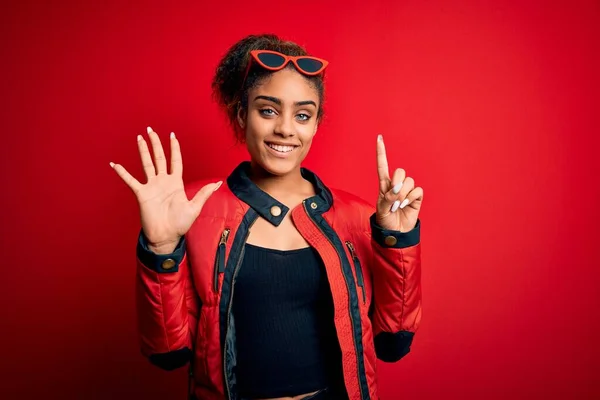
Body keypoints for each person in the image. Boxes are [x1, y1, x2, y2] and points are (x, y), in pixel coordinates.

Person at [110, 34, 423, 400]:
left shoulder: (360, 217)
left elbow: (394, 344)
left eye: (302, 115)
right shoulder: (192, 210)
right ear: (242, 115)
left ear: (316, 125)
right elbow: (168, 353)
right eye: (268, 110)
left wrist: (397, 240)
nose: (286, 129)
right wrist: (161, 248)